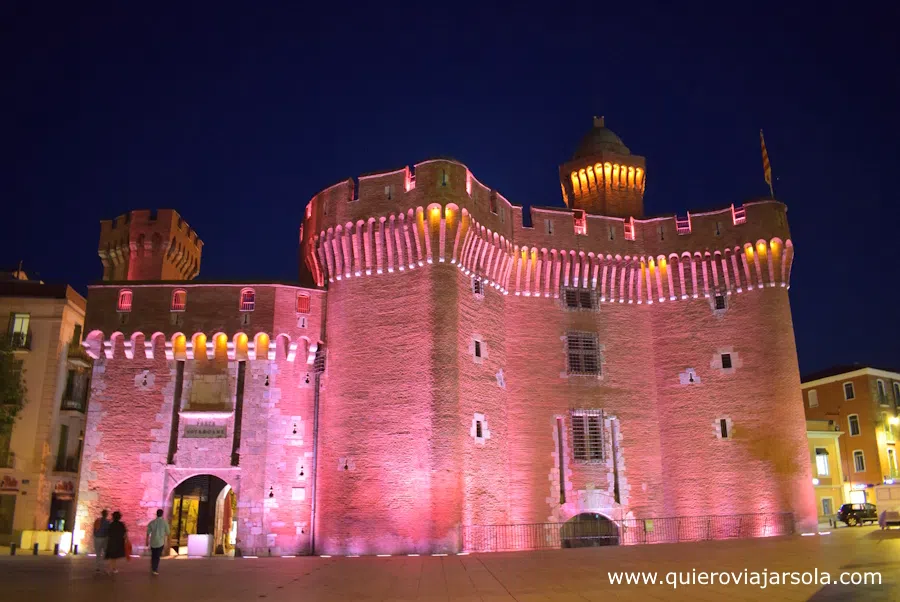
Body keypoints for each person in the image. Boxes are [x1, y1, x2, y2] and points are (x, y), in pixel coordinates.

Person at [145, 509, 170, 575]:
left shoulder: (152, 522)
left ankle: (153, 567)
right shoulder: (165, 523)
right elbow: (168, 533)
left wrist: (146, 541)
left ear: (157, 514)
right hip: (160, 542)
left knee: (153, 555)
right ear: (162, 514)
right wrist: (168, 542)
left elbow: (148, 533)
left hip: (153, 542)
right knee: (157, 556)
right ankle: (155, 569)